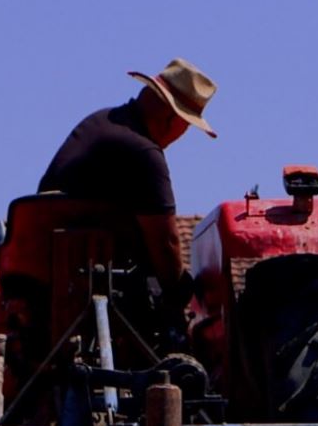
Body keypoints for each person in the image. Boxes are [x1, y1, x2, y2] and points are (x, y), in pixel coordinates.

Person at [37, 57, 217, 311]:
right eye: (187, 125)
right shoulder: (144, 152)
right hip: (88, 285)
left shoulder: (99, 122)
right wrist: (181, 297)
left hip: (41, 270)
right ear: (173, 119)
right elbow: (166, 244)